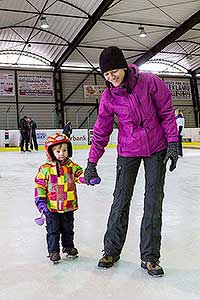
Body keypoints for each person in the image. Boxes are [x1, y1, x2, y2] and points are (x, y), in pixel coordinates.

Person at [84, 46, 178, 277]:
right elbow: (102, 130)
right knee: (120, 200)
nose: (111, 77)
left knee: (153, 201)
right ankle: (111, 250)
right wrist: (92, 162)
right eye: (106, 74)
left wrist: (173, 143)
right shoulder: (108, 96)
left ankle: (150, 257)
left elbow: (167, 113)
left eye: (114, 71)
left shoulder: (149, 82)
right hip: (128, 150)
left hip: (156, 148)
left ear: (124, 67)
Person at [34, 133, 88, 263]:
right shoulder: (45, 169)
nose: (62, 153)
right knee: (53, 230)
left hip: (68, 205)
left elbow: (79, 175)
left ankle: (68, 247)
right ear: (50, 152)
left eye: (64, 150)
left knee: (68, 229)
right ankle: (53, 251)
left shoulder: (71, 166)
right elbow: (40, 186)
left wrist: (88, 178)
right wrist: (41, 202)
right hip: (51, 207)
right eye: (58, 151)